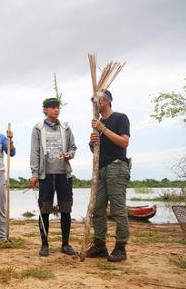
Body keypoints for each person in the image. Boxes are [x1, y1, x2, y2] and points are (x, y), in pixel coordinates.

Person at [87, 90, 131, 262]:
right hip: (102, 169)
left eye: (95, 100)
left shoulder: (120, 118)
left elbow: (124, 142)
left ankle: (121, 248)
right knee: (97, 208)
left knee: (118, 210)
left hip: (117, 167)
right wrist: (93, 141)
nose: (94, 103)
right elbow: (96, 148)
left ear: (105, 101)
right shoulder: (98, 123)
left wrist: (103, 129)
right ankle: (100, 245)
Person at [29, 98, 77, 257]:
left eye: (58, 107)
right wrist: (34, 173)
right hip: (45, 175)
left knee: (65, 209)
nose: (56, 110)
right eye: (52, 107)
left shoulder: (65, 127)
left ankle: (65, 244)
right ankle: (44, 244)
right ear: (45, 110)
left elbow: (73, 147)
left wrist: (69, 154)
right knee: (44, 210)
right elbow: (35, 152)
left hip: (64, 174)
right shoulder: (38, 129)